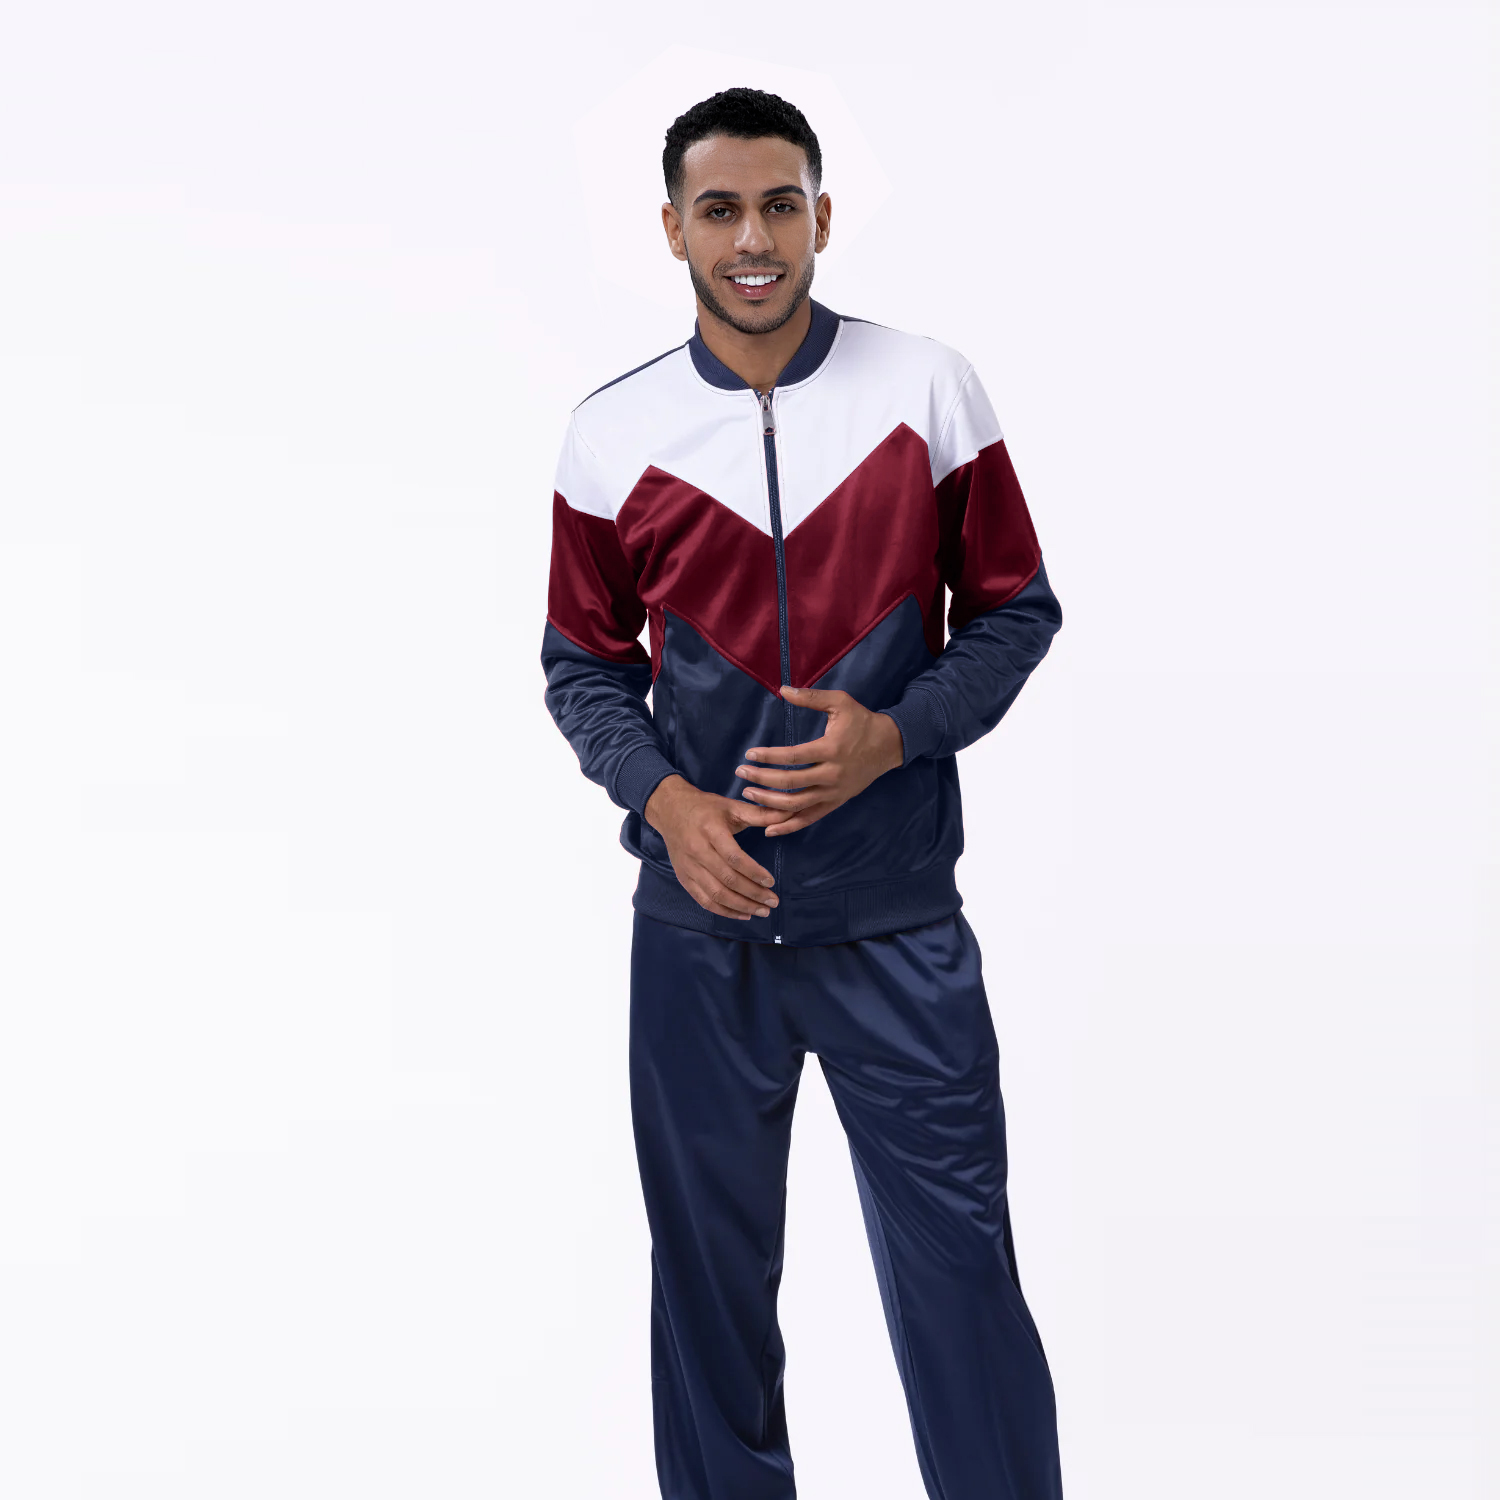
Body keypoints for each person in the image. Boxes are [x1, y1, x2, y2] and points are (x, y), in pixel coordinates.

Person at [541, 86, 1065, 1500]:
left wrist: (894, 737)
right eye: (720, 210)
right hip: (701, 936)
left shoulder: (925, 390)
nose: (753, 239)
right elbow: (583, 666)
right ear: (673, 229)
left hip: (898, 925)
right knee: (709, 1302)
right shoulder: (613, 433)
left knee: (963, 1284)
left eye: (781, 206)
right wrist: (668, 805)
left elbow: (1015, 611)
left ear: (822, 215)